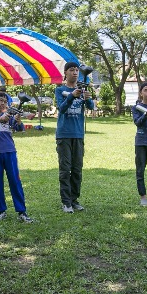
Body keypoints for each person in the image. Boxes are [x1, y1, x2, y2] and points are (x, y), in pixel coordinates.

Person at [0, 92, 33, 223]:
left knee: (15, 181)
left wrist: (18, 121)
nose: (3, 103)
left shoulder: (8, 117)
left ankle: (22, 211)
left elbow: (19, 129)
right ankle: (1, 211)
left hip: (10, 152)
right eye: (1, 100)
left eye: (5, 101)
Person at [54, 61, 94, 213]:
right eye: (72, 70)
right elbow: (62, 109)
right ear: (66, 73)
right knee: (65, 169)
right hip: (64, 134)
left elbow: (91, 107)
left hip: (78, 135)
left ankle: (74, 199)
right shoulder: (60, 90)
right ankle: (66, 202)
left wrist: (87, 97)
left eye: (77, 70)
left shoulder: (82, 89)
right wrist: (71, 96)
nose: (75, 72)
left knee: (77, 169)